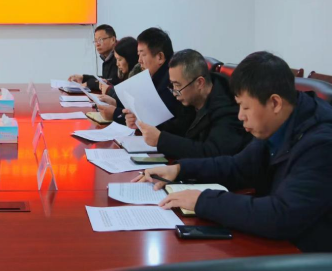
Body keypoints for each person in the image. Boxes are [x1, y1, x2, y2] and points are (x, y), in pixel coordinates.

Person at [135, 51, 332, 252]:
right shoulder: (276, 124)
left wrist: (203, 201)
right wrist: (179, 170)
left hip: (306, 253)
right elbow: (237, 166)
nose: (240, 116)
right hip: (275, 242)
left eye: (245, 108)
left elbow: (281, 216)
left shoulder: (321, 145)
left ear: (275, 103)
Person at [126, 49, 251, 158]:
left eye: (177, 85)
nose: (174, 92)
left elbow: (212, 153)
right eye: (172, 85)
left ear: (199, 83)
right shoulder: (189, 97)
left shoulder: (227, 108)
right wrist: (143, 122)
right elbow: (177, 128)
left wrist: (161, 140)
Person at [97, 27, 184, 125]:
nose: (139, 61)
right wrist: (116, 103)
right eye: (138, 55)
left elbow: (155, 121)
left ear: (160, 57)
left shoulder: (171, 82)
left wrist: (115, 114)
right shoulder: (154, 76)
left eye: (143, 55)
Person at [68, 24, 118, 91]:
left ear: (113, 40)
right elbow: (104, 80)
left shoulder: (119, 57)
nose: (97, 44)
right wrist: (83, 78)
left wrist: (89, 84)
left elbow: (111, 82)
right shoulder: (107, 58)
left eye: (100, 40)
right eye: (95, 41)